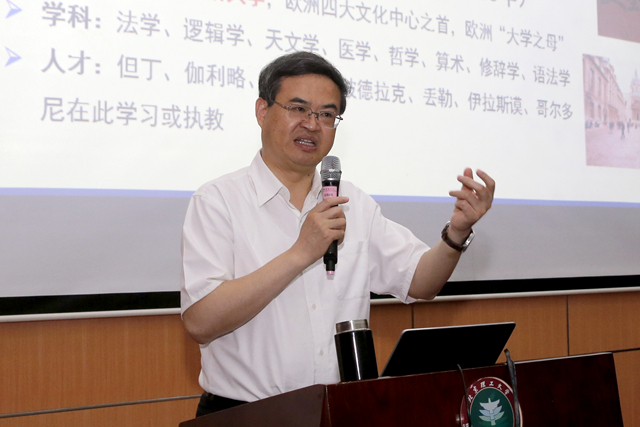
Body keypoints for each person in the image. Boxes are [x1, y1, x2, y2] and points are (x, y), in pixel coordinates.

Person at [180, 52, 495, 417]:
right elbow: (200, 321)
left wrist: (457, 232)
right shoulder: (218, 201)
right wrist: (301, 253)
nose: (312, 124)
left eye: (327, 115)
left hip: (338, 411)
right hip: (244, 416)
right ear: (262, 111)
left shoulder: (354, 203)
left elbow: (420, 281)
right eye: (298, 109)